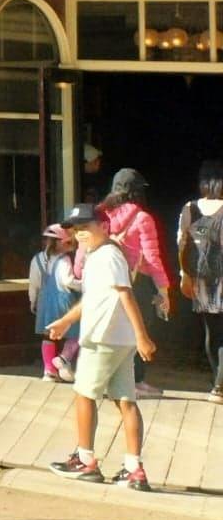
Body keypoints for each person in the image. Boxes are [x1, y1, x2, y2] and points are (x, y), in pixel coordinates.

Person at [47, 201, 157, 491]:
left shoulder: (108, 255)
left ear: (104, 226)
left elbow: (126, 295)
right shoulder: (99, 255)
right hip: (119, 340)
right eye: (77, 229)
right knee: (125, 400)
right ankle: (134, 470)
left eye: (86, 227)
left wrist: (143, 336)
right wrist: (64, 321)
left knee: (83, 394)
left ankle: (85, 460)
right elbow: (93, 299)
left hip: (103, 338)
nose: (81, 234)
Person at [100, 167, 174, 398]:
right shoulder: (142, 218)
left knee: (111, 330)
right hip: (135, 283)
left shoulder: (100, 215)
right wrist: (164, 290)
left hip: (105, 281)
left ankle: (109, 380)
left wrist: (81, 274)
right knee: (139, 330)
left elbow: (84, 249)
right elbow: (152, 257)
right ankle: (135, 381)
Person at [177, 159, 223, 406]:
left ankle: (218, 386)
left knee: (213, 332)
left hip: (202, 279)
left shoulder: (190, 208)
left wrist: (185, 275)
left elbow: (182, 243)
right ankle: (220, 385)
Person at [28, 222, 81, 382]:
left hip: (44, 302)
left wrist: (33, 301)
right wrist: (84, 284)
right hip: (63, 301)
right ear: (60, 242)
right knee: (78, 332)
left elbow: (34, 283)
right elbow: (68, 281)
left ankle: (49, 371)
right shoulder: (64, 259)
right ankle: (64, 358)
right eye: (69, 243)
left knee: (48, 335)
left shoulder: (37, 259)